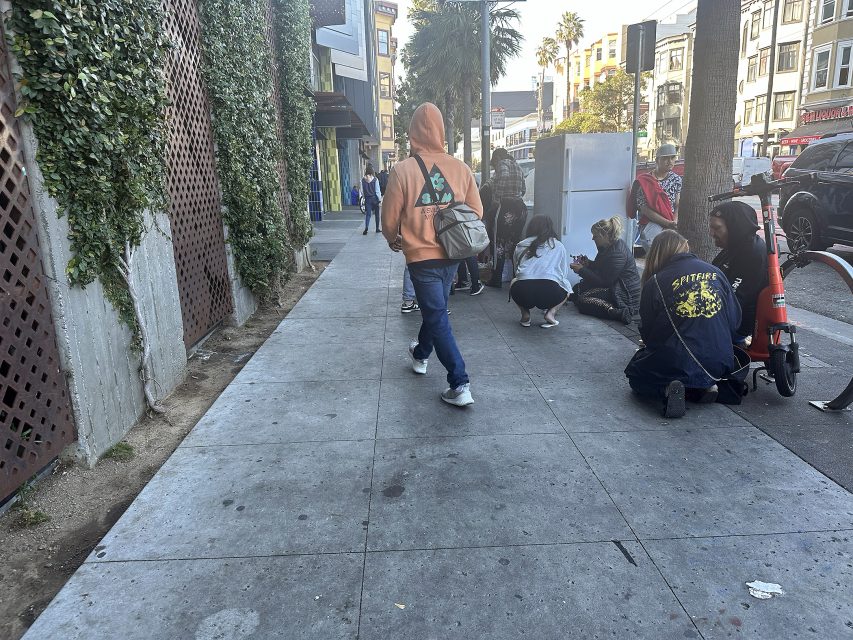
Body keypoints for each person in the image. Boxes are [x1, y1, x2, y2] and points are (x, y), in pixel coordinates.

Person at [381, 102, 483, 407]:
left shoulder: (402, 171)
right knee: (435, 311)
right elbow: (476, 212)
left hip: (420, 257)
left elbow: (388, 219)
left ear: (413, 134)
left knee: (436, 314)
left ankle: (459, 383)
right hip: (453, 254)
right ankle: (421, 354)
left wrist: (394, 238)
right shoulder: (461, 169)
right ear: (440, 131)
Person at [624, 230, 743, 418]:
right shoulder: (716, 272)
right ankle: (703, 387)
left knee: (636, 374)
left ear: (656, 253)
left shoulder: (656, 281)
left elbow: (649, 334)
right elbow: (735, 320)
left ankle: (668, 389)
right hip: (720, 362)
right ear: (685, 247)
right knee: (688, 369)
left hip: (678, 359)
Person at [710, 200, 768, 340]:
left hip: (735, 324)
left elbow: (734, 299)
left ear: (735, 227)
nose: (711, 233)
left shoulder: (752, 253)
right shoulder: (734, 246)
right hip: (724, 317)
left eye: (717, 228)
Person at [570, 216, 641, 325]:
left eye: (595, 235)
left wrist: (582, 270)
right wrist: (588, 264)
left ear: (605, 235)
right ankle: (606, 305)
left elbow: (605, 282)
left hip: (625, 293)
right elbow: (602, 268)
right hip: (615, 286)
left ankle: (618, 312)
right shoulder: (607, 246)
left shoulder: (617, 253)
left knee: (583, 300)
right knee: (576, 290)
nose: (592, 238)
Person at [511, 215, 572, 328]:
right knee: (567, 286)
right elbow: (563, 274)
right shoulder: (558, 245)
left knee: (514, 281)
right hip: (550, 293)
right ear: (550, 228)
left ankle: (525, 314)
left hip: (523, 292)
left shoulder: (520, 245)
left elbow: (516, 271)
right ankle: (551, 314)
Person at [483, 148, 528, 288]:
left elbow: (503, 176)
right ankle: (515, 277)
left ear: (497, 158)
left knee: (499, 244)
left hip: (506, 207)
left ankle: (496, 279)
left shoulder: (503, 164)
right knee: (514, 244)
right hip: (520, 208)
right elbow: (524, 190)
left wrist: (497, 198)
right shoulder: (518, 167)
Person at [632, 144, 682, 251]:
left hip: (671, 224)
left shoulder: (676, 179)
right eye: (665, 158)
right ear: (657, 160)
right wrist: (667, 223)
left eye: (672, 158)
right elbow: (644, 209)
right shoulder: (644, 181)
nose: (670, 161)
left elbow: (677, 205)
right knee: (657, 255)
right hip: (651, 224)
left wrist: (674, 223)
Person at [362, 165, 382, 235]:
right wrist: (379, 199)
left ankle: (366, 227)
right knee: (377, 214)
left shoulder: (363, 180)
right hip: (374, 199)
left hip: (367, 199)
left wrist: (364, 197)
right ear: (372, 171)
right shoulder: (375, 179)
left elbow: (362, 191)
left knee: (368, 214)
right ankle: (377, 228)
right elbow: (377, 191)